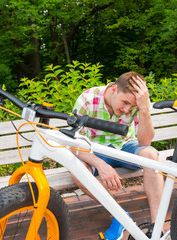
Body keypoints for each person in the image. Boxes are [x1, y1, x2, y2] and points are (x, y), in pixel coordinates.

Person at [71, 71, 165, 240]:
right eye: (125, 102)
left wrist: (143, 109)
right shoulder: (87, 98)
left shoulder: (139, 104)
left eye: (132, 106)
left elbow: (145, 142)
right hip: (95, 151)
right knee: (77, 170)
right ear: (114, 89)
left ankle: (157, 229)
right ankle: (121, 216)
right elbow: (73, 144)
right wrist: (101, 165)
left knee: (151, 155)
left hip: (123, 146)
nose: (127, 109)